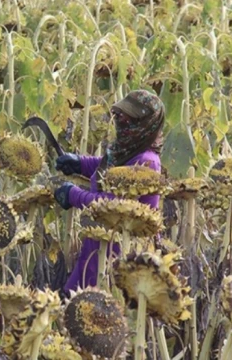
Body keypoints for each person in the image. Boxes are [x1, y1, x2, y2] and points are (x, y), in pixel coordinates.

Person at [53, 89, 165, 294]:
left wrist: (73, 195)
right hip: (100, 244)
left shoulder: (147, 161)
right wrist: (80, 163)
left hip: (122, 254)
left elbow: (113, 206)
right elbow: (110, 168)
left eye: (129, 117)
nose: (121, 120)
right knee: (72, 302)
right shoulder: (130, 149)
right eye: (120, 114)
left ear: (145, 124)